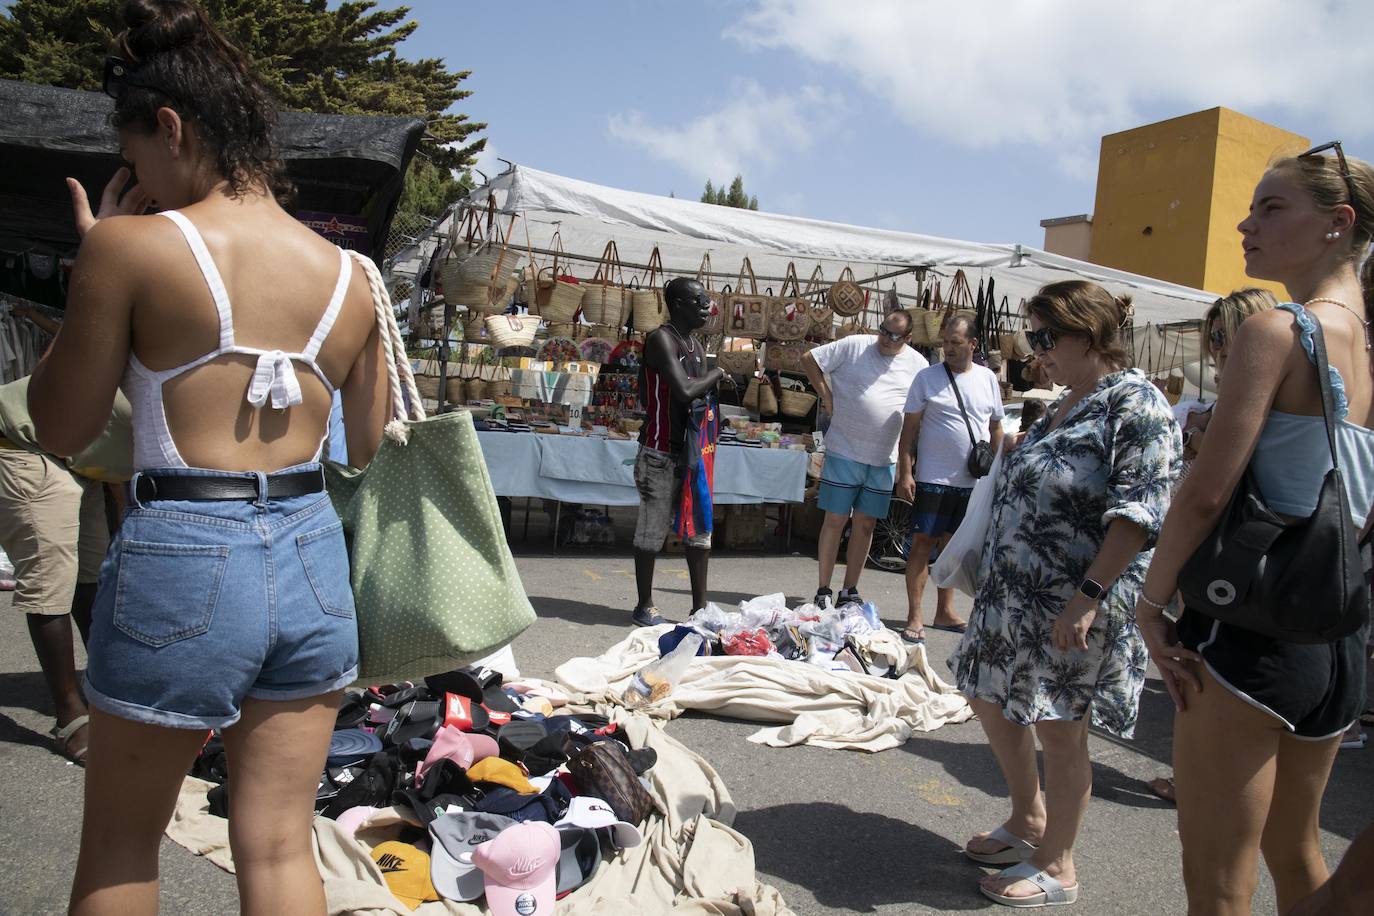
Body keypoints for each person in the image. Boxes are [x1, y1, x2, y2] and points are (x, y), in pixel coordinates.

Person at [26, 2, 390, 913]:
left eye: (136, 153)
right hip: (312, 555)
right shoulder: (354, 277)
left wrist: (97, 258)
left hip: (185, 547)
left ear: (173, 127)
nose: (134, 177)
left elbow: (59, 425)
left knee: (119, 849)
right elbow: (369, 443)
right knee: (276, 849)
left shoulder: (130, 247)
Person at [1134, 142, 1374, 916]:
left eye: (1272, 207)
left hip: (1249, 629)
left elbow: (1206, 493)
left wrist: (1149, 603)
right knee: (1295, 851)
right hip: (1333, 634)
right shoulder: (1367, 342)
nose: (1246, 224)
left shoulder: (1279, 331)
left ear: (1337, 224)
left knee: (1217, 882)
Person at [952, 280, 1180, 908]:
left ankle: (1059, 862)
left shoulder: (1136, 404)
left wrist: (1087, 597)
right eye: (1035, 339)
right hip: (1015, 597)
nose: (1038, 352)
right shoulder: (1068, 401)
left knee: (1058, 725)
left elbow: (1139, 513)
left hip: (1071, 602)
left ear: (1091, 333)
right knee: (989, 700)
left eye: (1048, 338)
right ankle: (1028, 818)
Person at [1145, 288, 1278, 805]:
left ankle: (1194, 781)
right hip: (1233, 559)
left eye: (1225, 337)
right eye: (1213, 339)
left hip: (1224, 559)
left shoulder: (1256, 392)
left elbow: (1210, 492)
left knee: (1198, 671)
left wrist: (1151, 600)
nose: (1217, 349)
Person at [0, 336, 132, 765]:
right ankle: (69, 715)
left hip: (82, 461)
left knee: (92, 575)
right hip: (23, 442)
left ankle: (107, 687)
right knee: (51, 581)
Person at [803, 310, 927, 609]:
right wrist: (827, 396)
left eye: (895, 336)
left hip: (884, 458)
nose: (885, 339)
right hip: (844, 449)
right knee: (834, 519)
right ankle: (823, 589)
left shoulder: (918, 364)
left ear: (908, 338)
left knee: (866, 524)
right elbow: (809, 359)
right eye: (884, 330)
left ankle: (849, 589)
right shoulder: (855, 345)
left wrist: (908, 463)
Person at [895, 314, 1003, 641]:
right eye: (945, 342)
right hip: (932, 479)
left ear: (973, 344)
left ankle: (945, 611)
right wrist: (905, 471)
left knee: (953, 549)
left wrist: (999, 472)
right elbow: (909, 429)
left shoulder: (987, 379)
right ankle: (915, 615)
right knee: (922, 544)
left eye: (956, 343)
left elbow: (996, 426)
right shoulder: (926, 378)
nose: (949, 349)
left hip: (971, 482)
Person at [631, 277, 722, 627]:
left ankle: (699, 609)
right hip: (658, 452)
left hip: (691, 453)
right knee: (651, 533)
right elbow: (685, 391)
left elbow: (695, 399)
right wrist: (717, 374)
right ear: (679, 304)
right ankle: (644, 606)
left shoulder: (695, 345)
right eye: (699, 301)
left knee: (700, 531)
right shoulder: (660, 340)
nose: (707, 307)